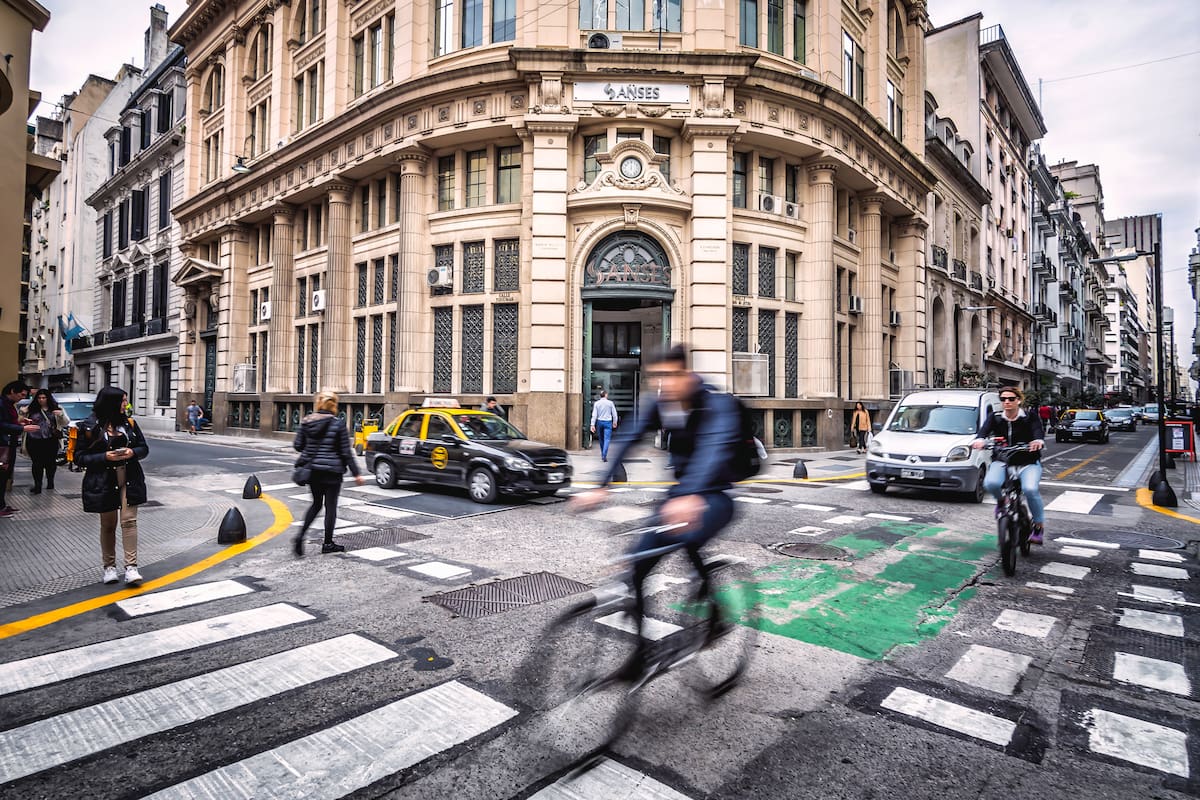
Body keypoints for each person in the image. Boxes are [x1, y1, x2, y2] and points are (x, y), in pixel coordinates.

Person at [572, 344, 741, 672]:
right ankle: (639, 655)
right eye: (657, 377)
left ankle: (716, 614)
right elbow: (629, 437)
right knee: (637, 566)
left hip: (716, 494)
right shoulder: (662, 402)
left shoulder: (716, 404)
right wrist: (599, 486)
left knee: (686, 535)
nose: (663, 384)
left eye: (669, 375)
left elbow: (713, 448)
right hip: (680, 494)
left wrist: (691, 495)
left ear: (686, 372)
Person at [75, 387, 150, 585]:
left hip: (129, 477)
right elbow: (79, 457)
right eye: (123, 401)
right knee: (108, 525)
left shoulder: (130, 424)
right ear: (111, 403)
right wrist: (104, 456)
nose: (126, 404)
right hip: (103, 479)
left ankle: (131, 567)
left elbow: (143, 448)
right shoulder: (89, 426)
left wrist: (132, 453)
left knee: (129, 521)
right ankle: (109, 567)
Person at [292, 390, 364, 556]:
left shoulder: (306, 422)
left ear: (319, 404)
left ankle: (300, 536)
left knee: (316, 504)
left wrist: (311, 447)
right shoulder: (338, 424)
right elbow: (345, 452)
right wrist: (356, 473)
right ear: (334, 406)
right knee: (330, 507)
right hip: (333, 472)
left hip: (314, 471)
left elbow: (298, 446)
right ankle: (328, 543)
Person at [972, 385, 1046, 544]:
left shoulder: (1029, 416)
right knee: (991, 483)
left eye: (1011, 399)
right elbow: (983, 431)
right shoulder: (996, 417)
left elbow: (1037, 431)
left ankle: (1038, 526)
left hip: (1028, 462)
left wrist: (1037, 441)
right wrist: (979, 440)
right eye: (1003, 399)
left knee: (1030, 489)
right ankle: (1001, 502)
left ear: (1018, 400)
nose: (1007, 402)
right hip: (1003, 461)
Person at [0, 381, 37, 517]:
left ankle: (2, 504)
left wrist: (20, 422)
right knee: (2, 475)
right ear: (12, 391)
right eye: (21, 395)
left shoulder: (9, 404)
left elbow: (7, 422)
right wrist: (21, 428)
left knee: (5, 475)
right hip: (3, 445)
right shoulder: (2, 404)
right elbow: (2, 424)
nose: (22, 397)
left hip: (8, 444)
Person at [25, 388, 68, 494]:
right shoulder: (30, 409)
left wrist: (60, 415)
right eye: (39, 398)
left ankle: (50, 482)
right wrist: (22, 414)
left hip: (50, 440)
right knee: (36, 463)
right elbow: (20, 420)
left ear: (48, 398)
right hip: (34, 440)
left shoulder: (57, 408)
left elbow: (66, 422)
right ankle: (38, 485)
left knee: (50, 463)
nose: (41, 400)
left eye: (44, 397)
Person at [590, 389, 619, 462]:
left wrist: (592, 424)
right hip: (608, 422)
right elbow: (614, 414)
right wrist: (615, 422)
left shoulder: (597, 403)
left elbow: (594, 415)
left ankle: (603, 453)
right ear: (606, 395)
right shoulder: (610, 403)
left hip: (599, 422)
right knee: (607, 439)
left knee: (601, 439)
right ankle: (604, 455)